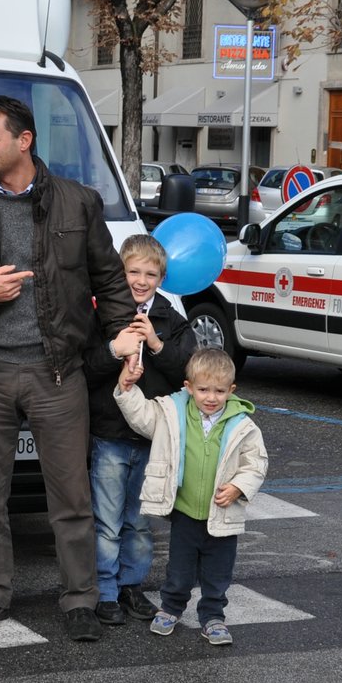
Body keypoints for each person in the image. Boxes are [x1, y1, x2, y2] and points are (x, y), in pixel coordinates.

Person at [0, 95, 137, 643]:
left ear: (23, 140)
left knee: (70, 496)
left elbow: (109, 280)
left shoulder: (79, 203)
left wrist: (126, 341)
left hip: (56, 372)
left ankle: (79, 598)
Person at [114, 346, 268, 647]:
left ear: (231, 390)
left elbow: (257, 463)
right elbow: (143, 417)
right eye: (203, 390)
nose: (211, 397)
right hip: (185, 511)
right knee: (179, 569)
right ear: (188, 387)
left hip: (222, 515)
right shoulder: (173, 413)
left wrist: (238, 486)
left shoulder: (243, 425)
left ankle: (213, 617)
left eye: (220, 391)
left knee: (218, 572)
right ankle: (171, 608)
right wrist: (126, 388)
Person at [82, 234, 195, 625]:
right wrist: (115, 348)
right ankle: (106, 591)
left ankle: (133, 585)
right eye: (133, 271)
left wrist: (157, 344)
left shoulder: (169, 319)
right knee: (108, 521)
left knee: (140, 522)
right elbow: (87, 367)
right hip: (110, 434)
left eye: (150, 273)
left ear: (161, 278)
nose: (141, 280)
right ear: (120, 273)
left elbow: (188, 371)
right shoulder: (101, 313)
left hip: (152, 438)